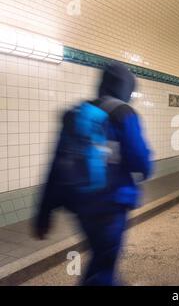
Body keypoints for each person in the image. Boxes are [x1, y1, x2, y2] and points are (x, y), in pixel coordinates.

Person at [33, 62, 153, 286]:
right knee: (104, 266)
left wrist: (43, 213)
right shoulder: (124, 113)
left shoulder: (75, 114)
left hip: (80, 206)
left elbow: (56, 165)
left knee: (100, 259)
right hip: (111, 205)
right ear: (126, 88)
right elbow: (141, 162)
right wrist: (144, 170)